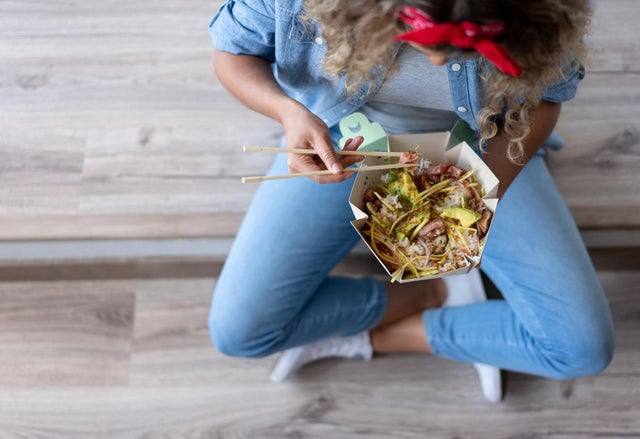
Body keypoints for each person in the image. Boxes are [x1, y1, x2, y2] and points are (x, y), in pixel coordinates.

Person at [207, 0, 615, 402]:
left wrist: (484, 189)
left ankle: (380, 336)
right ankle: (433, 294)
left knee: (582, 348)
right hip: (344, 140)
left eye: (459, 51)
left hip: (487, 143)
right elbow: (231, 53)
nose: (439, 63)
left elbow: (547, 98)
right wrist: (288, 113)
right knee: (239, 333)